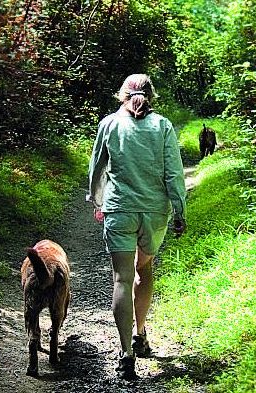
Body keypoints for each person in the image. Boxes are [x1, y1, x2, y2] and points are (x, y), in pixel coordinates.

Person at [87, 74, 186, 380]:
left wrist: (98, 202)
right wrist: (179, 209)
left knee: (121, 279)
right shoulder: (163, 126)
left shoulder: (109, 124)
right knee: (144, 270)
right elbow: (174, 173)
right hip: (154, 212)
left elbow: (97, 170)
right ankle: (140, 334)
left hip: (119, 210)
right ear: (150, 95)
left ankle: (125, 355)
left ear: (122, 95)